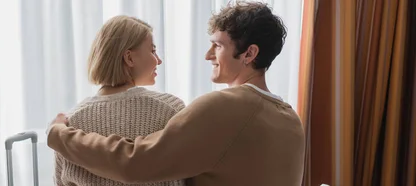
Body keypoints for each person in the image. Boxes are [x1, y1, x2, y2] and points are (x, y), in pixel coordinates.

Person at [46, 2, 305, 186]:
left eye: (217, 45)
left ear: (249, 53)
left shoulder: (224, 107)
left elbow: (135, 162)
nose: (207, 55)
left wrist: (60, 135)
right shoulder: (290, 120)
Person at [52, 15, 187, 186]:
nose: (158, 60)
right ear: (129, 58)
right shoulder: (170, 109)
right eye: (152, 51)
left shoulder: (69, 123)